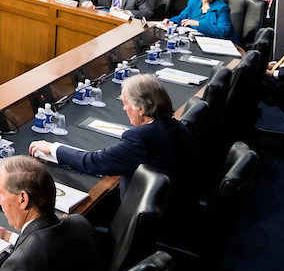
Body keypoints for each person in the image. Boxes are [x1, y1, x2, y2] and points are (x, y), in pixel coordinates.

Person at [30, 74, 199, 207]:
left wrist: (52, 148)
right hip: (183, 205)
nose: (124, 108)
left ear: (141, 108)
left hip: (161, 220)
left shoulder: (141, 138)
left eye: (126, 104)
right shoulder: (176, 125)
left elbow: (93, 162)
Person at [0, 157, 103, 271]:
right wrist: (8, 236)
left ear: (23, 199)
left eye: (1, 192)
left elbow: (34, 256)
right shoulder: (80, 222)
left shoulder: (19, 265)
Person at [168, 0, 232, 39]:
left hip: (214, 42)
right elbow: (181, 17)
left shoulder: (222, 8)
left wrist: (197, 24)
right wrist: (170, 22)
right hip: (194, 40)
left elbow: (223, 31)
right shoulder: (193, 2)